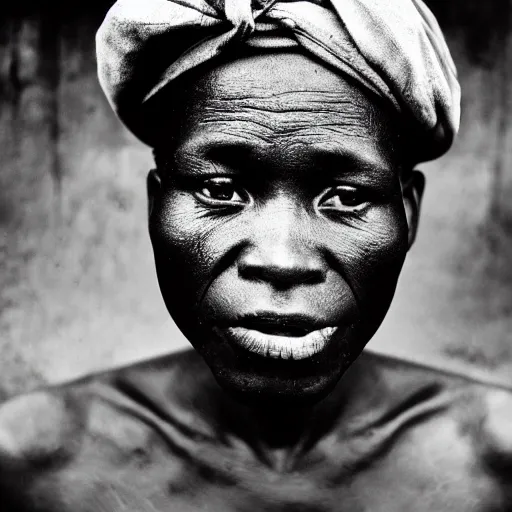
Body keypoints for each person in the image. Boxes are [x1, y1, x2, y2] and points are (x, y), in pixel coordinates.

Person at [1, 0, 511, 510]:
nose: (282, 260)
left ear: (408, 214)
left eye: (347, 197)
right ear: (156, 207)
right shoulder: (31, 464)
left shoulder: (495, 462)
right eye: (220, 189)